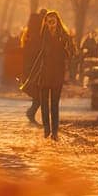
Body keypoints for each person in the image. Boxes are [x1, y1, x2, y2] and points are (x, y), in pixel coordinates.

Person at [25, 10, 75, 141]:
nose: (51, 23)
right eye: (49, 21)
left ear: (58, 21)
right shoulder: (43, 36)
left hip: (57, 74)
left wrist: (69, 71)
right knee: (44, 105)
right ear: (46, 23)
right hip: (44, 74)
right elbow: (39, 56)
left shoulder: (64, 36)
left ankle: (55, 132)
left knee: (54, 104)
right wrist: (31, 75)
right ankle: (47, 131)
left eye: (53, 20)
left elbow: (71, 54)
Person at [20, 11, 43, 125]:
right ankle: (31, 112)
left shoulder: (28, 34)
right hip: (34, 68)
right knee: (39, 94)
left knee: (38, 93)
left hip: (30, 68)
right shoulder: (36, 36)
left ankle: (32, 112)